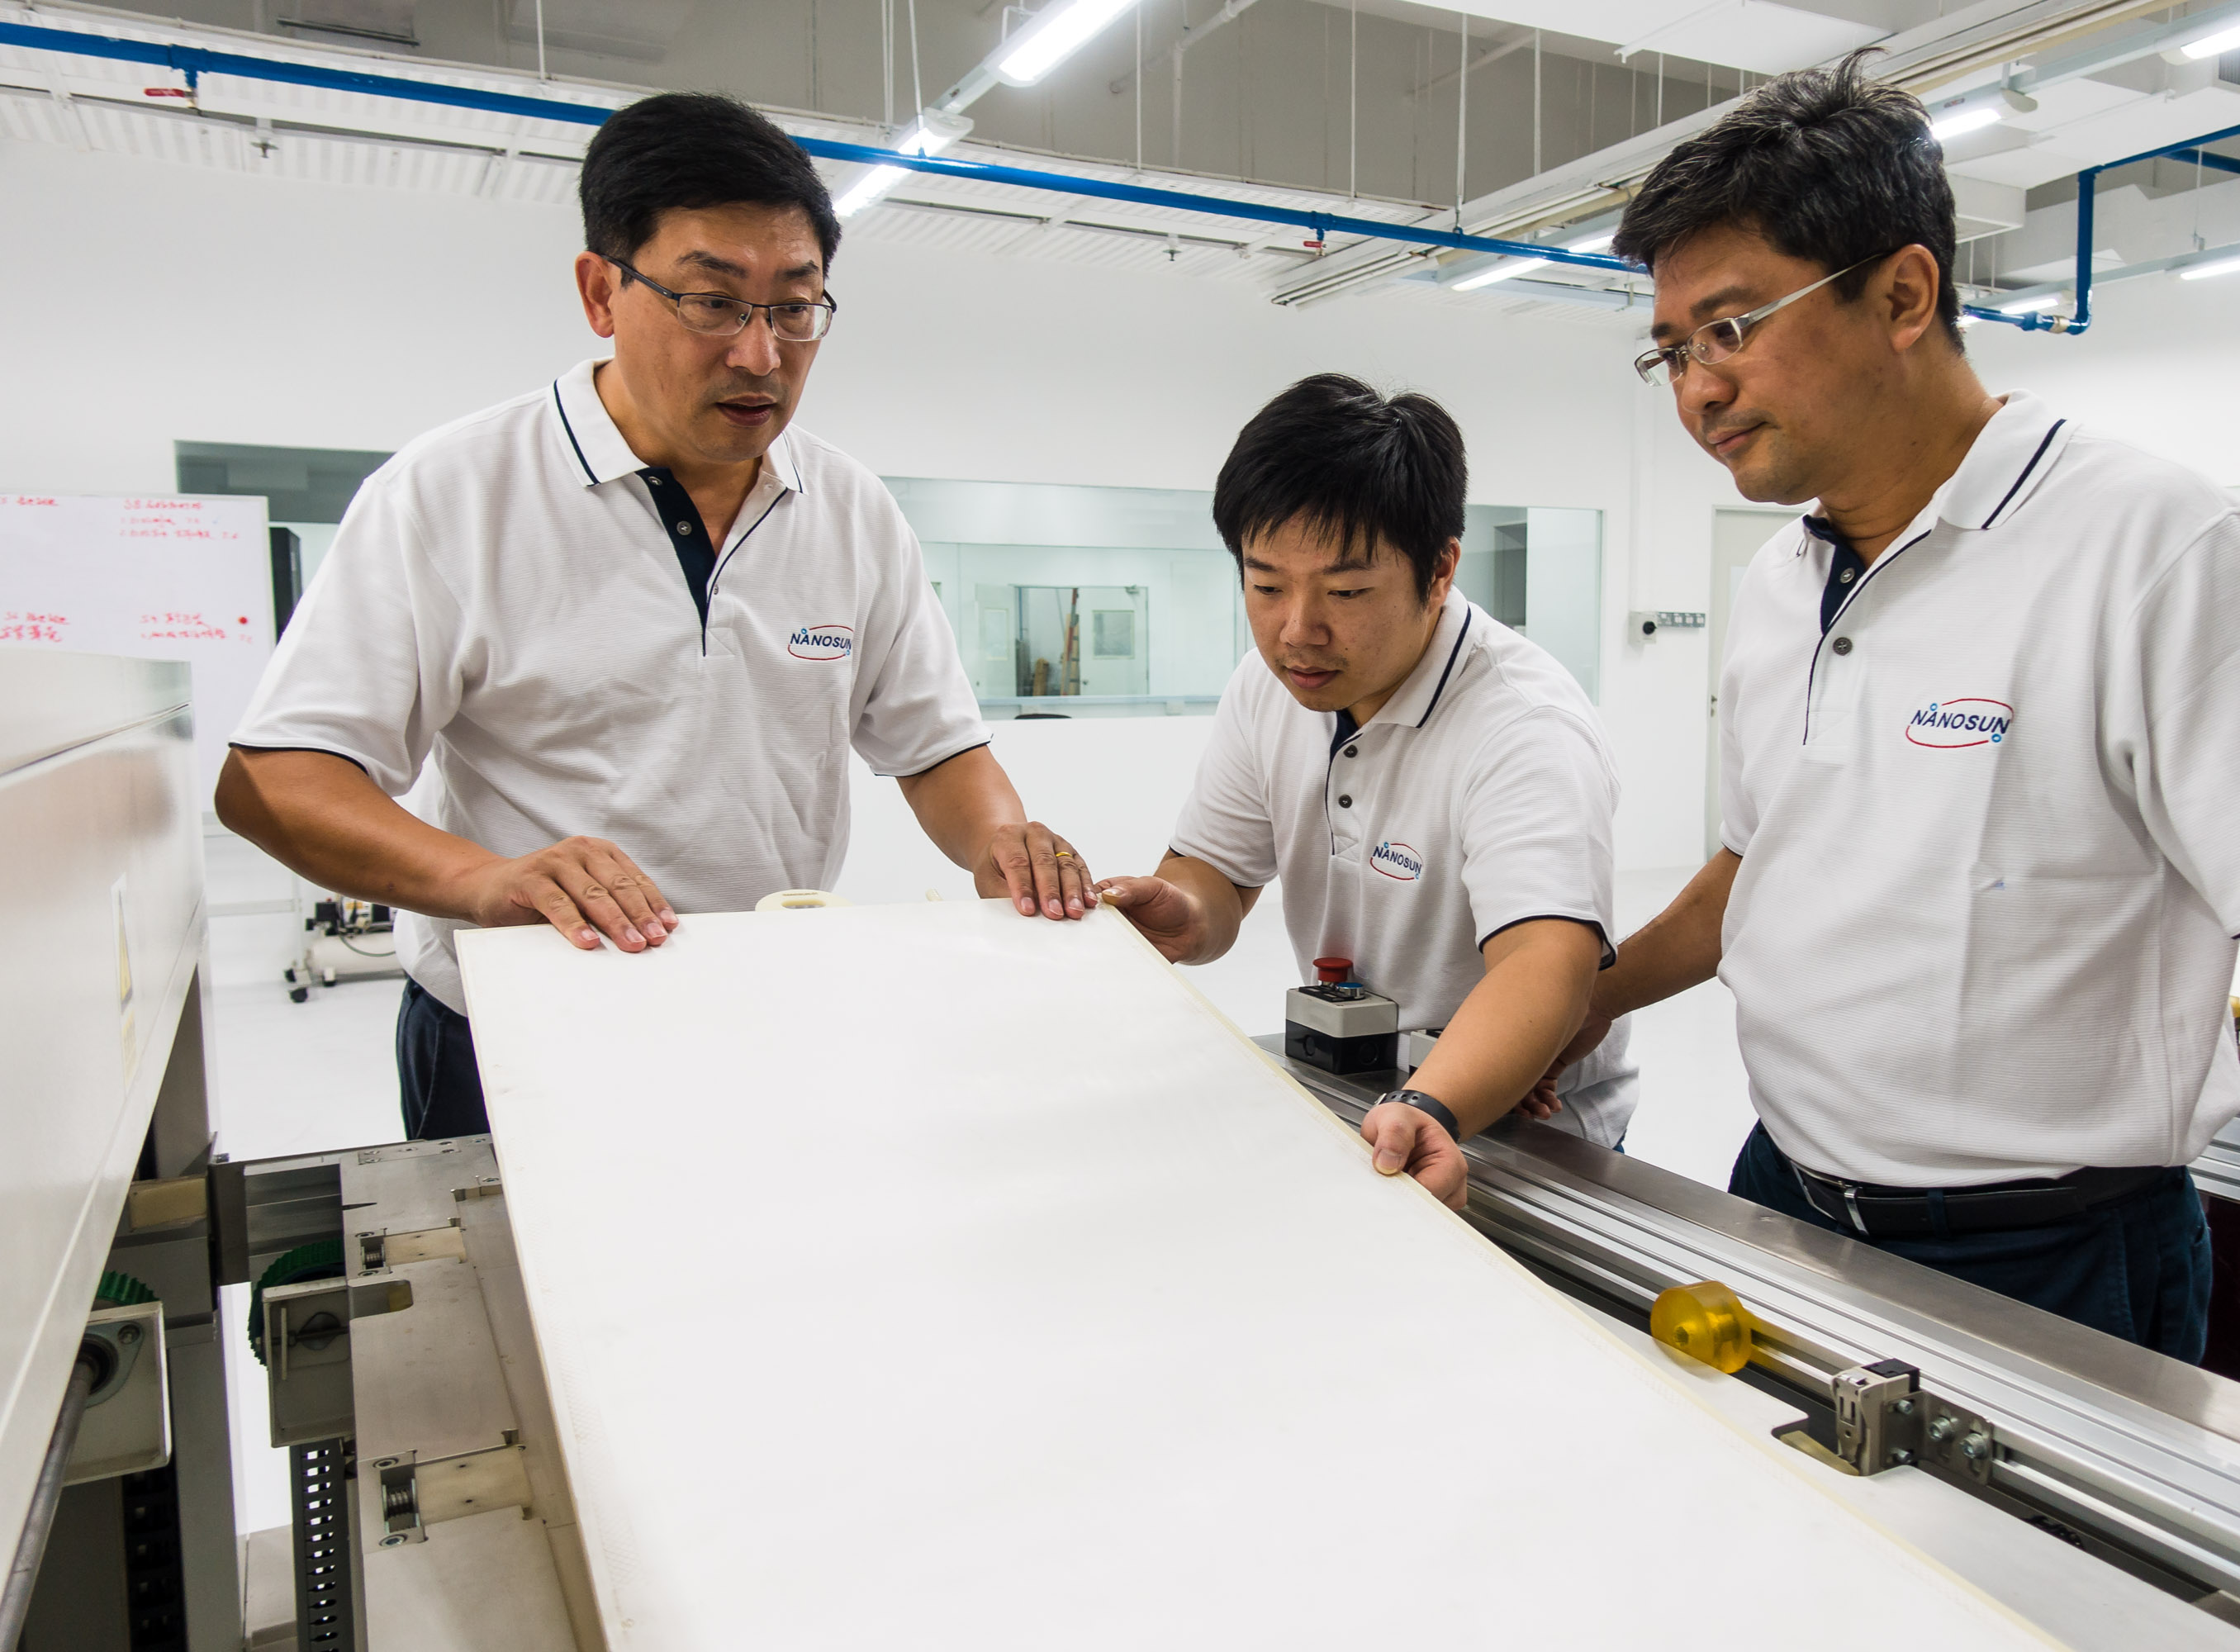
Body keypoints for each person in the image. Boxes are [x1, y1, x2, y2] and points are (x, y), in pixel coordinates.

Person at [1547, 53, 2240, 1355]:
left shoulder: (2149, 542)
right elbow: (1759, 866)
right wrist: (1577, 996)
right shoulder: (1779, 583)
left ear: (1904, 292)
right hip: (1784, 1198)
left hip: (2048, 1256)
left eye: (1734, 328)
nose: (1700, 388)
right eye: (1673, 352)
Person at [221, 93, 1097, 1142]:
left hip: (771, 1009)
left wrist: (1001, 843)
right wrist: (491, 880)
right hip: (518, 1033)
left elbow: (935, 748)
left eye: (795, 306)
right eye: (711, 302)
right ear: (601, 290)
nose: (761, 355)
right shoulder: (455, 493)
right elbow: (274, 780)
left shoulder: (851, 508)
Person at [1099, 375, 1633, 1210]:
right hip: (1359, 1092)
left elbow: (1547, 965)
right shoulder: (1266, 686)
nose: (1296, 629)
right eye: (1265, 583)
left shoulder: (1523, 724)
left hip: (1513, 1132)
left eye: (1345, 592)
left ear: (1440, 569)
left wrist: (1429, 1103)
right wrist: (1186, 908)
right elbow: (1220, 870)